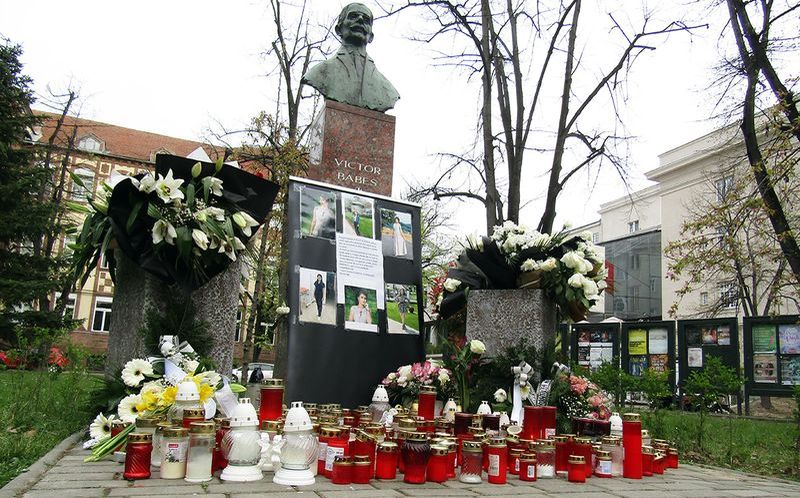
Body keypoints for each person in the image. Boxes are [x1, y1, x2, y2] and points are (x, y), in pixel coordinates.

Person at [302, 3, 400, 112]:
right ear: (338, 29)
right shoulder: (320, 72)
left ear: (371, 37)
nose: (360, 19)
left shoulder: (386, 89)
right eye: (353, 16)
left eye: (366, 20)